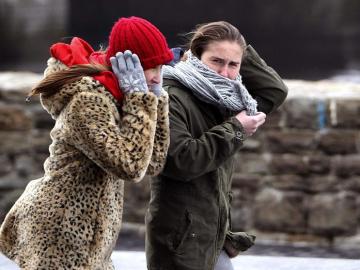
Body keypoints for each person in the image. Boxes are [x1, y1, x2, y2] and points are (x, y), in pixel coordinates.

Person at [0, 16, 173, 269]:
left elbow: (153, 163)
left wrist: (156, 102)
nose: (157, 77)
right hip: (60, 235)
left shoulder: (122, 96)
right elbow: (131, 167)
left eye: (161, 68)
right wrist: (140, 99)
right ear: (126, 65)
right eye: (150, 68)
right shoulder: (89, 102)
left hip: (92, 238)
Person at [145, 21, 288, 270]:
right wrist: (236, 129)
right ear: (196, 56)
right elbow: (180, 160)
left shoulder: (223, 97)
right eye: (216, 61)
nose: (225, 73)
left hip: (214, 234)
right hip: (180, 240)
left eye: (233, 65)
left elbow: (274, 91)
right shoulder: (170, 95)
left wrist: (239, 51)